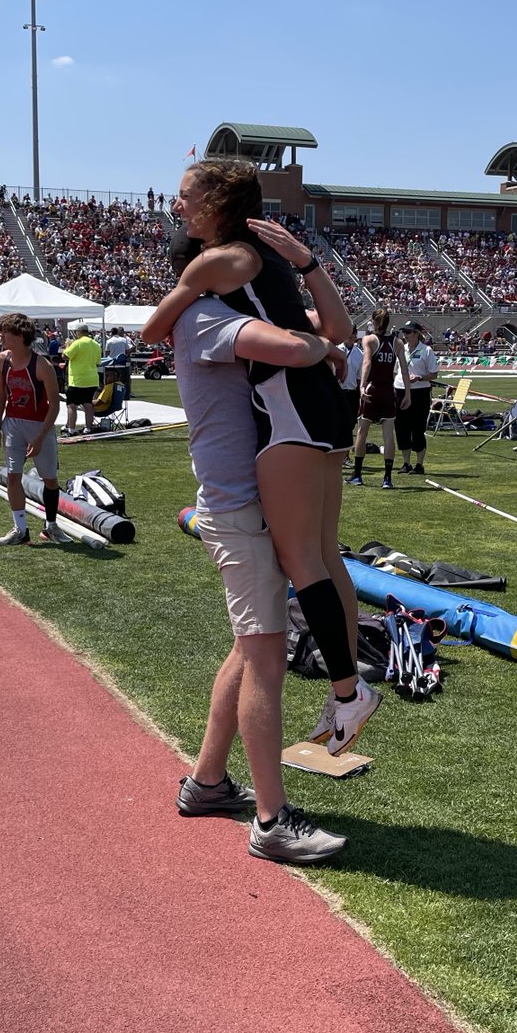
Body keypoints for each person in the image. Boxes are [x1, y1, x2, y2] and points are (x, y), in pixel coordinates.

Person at [143, 159, 382, 758]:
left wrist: (186, 306)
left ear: (216, 201)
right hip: (324, 408)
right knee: (327, 554)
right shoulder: (269, 259)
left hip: (288, 410)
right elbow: (340, 326)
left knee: (302, 558)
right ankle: (344, 692)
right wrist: (310, 268)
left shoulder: (222, 261)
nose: (177, 206)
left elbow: (153, 330)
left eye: (184, 197)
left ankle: (349, 692)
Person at [169, 239, 349, 864]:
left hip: (248, 504)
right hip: (238, 508)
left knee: (249, 650)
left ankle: (207, 783)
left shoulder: (211, 313)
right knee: (267, 659)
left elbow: (315, 326)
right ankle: (271, 822)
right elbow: (301, 345)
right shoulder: (209, 319)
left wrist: (307, 275)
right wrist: (331, 347)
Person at [0, 313, 72, 546]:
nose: (1, 336)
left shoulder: (42, 365)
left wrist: (40, 437)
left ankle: (51, 526)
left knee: (50, 480)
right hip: (13, 424)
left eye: (6, 332)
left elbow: (55, 405)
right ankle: (20, 529)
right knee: (13, 476)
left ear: (19, 335)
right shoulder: (1, 361)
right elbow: (0, 395)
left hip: (39, 425)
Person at [347, 308, 410, 489]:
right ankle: (387, 478)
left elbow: (367, 362)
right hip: (388, 390)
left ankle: (358, 475)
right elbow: (404, 369)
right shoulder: (397, 342)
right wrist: (407, 393)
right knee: (388, 436)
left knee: (362, 431)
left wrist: (362, 385)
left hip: (373, 388)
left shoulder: (369, 340)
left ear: (373, 322)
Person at [394, 321, 438, 475]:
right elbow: (396, 371)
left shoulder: (426, 350)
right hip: (400, 389)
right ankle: (406, 463)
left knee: (418, 428)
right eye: (404, 332)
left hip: (419, 392)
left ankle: (419, 464)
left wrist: (420, 377)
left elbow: (434, 373)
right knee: (401, 427)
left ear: (417, 333)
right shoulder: (401, 349)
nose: (405, 335)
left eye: (408, 332)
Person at [62, 325, 102, 434]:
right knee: (88, 404)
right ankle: (88, 428)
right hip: (92, 379)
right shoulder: (96, 344)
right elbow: (98, 362)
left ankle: (71, 428)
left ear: (79, 332)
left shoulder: (77, 343)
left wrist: (67, 346)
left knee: (71, 405)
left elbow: (65, 356)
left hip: (78, 380)